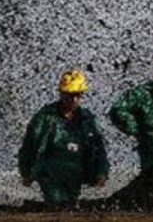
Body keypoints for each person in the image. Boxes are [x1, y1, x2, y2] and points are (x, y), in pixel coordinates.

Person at [18, 69, 110, 203]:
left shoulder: (87, 119)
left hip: (75, 172)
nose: (73, 100)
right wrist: (26, 172)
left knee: (70, 205)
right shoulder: (45, 117)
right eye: (69, 95)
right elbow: (29, 145)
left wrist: (102, 172)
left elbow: (98, 147)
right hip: (51, 172)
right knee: (57, 202)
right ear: (61, 94)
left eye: (77, 95)